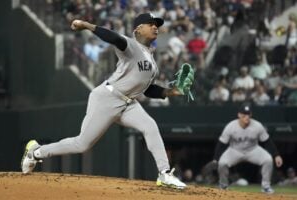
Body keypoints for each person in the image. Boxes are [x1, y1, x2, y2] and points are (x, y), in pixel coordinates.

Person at [21, 13, 186, 189]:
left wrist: (171, 91)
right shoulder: (131, 45)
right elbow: (114, 38)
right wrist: (86, 25)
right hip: (107, 98)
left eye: (157, 24)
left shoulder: (152, 60)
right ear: (138, 29)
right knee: (82, 144)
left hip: (129, 103)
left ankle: (164, 174)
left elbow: (148, 89)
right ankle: (36, 152)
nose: (155, 27)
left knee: (150, 126)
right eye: (150, 23)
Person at [212, 103, 283, 194]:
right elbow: (221, 144)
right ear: (239, 115)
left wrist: (276, 155)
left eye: (248, 114)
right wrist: (215, 159)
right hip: (235, 150)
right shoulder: (231, 126)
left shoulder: (257, 125)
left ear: (251, 115)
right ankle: (223, 185)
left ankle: (266, 186)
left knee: (268, 159)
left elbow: (267, 141)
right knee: (222, 163)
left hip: (253, 150)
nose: (246, 117)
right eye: (244, 114)